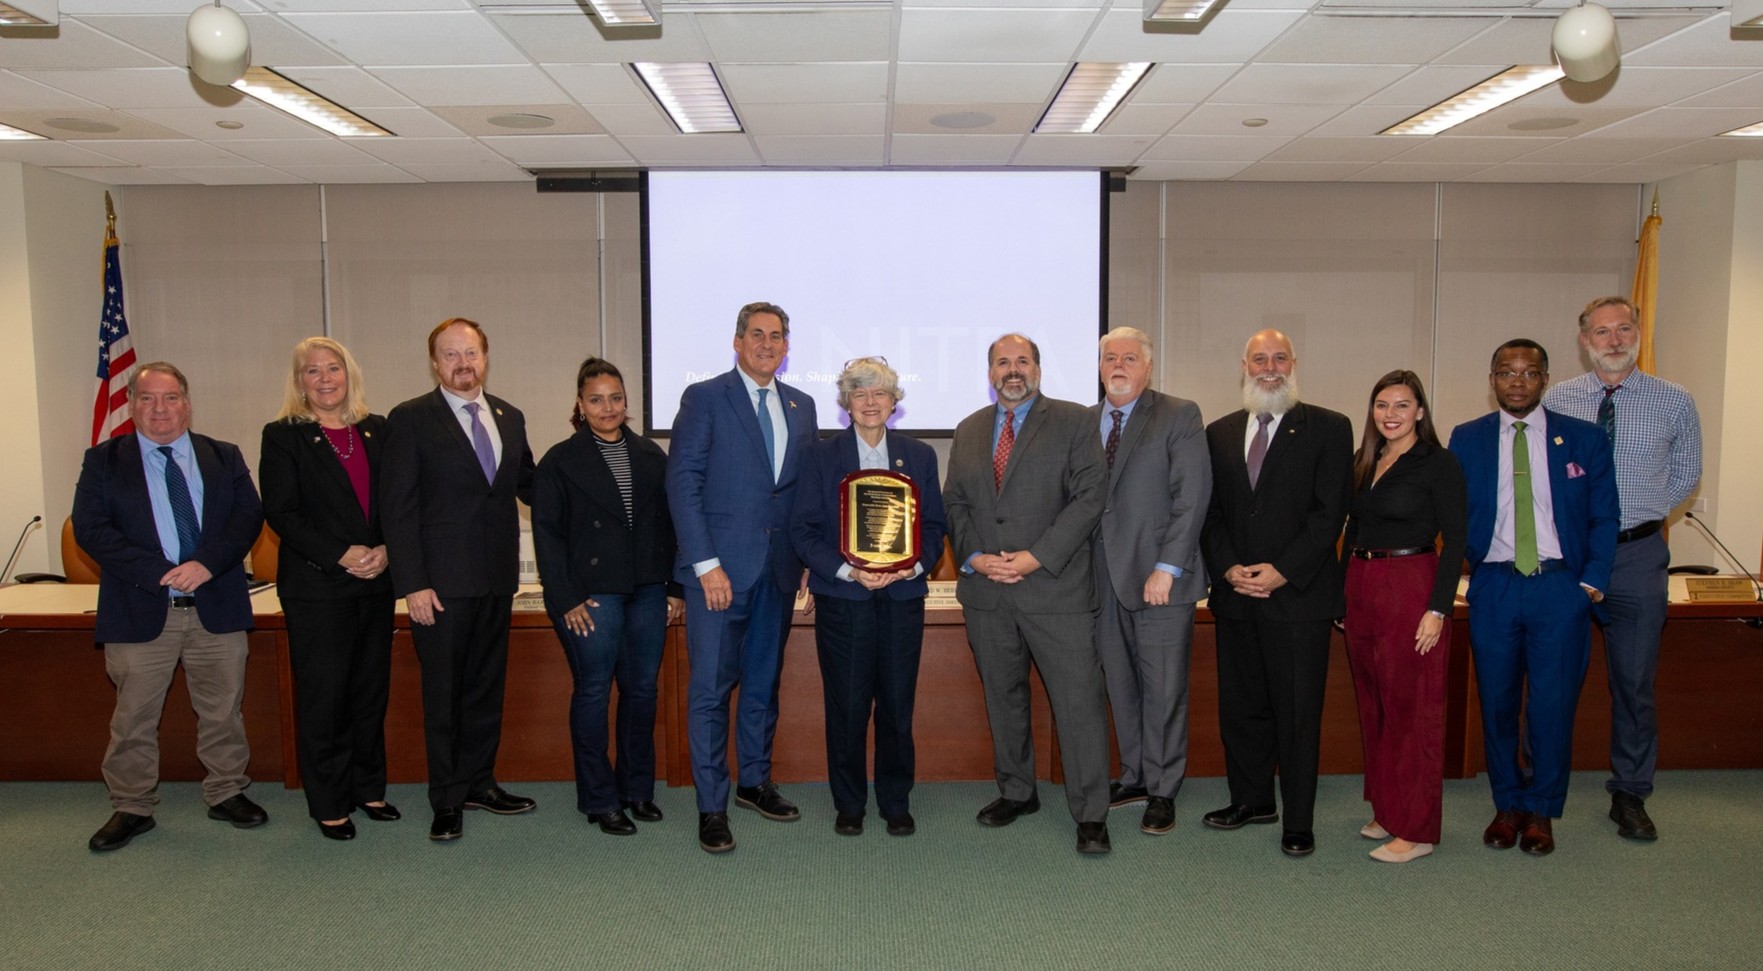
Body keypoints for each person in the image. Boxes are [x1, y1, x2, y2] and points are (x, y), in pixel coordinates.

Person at [73, 361, 268, 851]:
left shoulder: (223, 456)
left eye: (170, 397)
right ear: (133, 405)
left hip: (215, 604)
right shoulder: (103, 460)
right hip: (141, 608)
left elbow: (248, 516)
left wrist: (205, 564)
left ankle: (227, 792)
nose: (160, 409)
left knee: (223, 710)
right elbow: (91, 528)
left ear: (187, 402)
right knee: (133, 716)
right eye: (147, 399)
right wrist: (157, 572)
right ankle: (132, 806)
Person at [944, 333, 1112, 854]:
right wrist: (973, 557)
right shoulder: (970, 428)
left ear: (1038, 368)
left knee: (1078, 703)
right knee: (1004, 698)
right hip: (988, 592)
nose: (1012, 370)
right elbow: (957, 504)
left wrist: (1037, 556)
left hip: (1054, 589)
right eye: (1002, 362)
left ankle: (1091, 815)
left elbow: (1090, 497)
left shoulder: (1075, 420)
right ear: (989, 371)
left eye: (1022, 361)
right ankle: (1018, 792)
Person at [1449, 339, 1617, 857]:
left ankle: (1542, 808)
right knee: (1497, 703)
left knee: (1551, 704)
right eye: (1506, 372)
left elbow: (1604, 516)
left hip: (1559, 588)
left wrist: (1589, 583)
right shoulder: (1467, 438)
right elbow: (1452, 514)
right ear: (1492, 379)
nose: (1516, 381)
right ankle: (1507, 804)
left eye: (1528, 372)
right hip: (1495, 585)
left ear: (1545, 378)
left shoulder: (1584, 438)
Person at [1542, 296, 1701, 842]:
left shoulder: (1674, 400)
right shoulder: (1557, 399)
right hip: (1567, 555)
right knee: (1551, 675)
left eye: (1624, 329)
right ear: (1584, 341)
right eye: (1602, 331)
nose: (1614, 339)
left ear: (1638, 334)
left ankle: (1631, 793)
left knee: (1634, 683)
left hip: (1635, 556)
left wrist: (1639, 516)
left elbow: (1685, 476)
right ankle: (1540, 789)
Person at [667, 301, 818, 854]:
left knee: (761, 684)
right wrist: (706, 565)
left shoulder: (802, 406)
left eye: (776, 336)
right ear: (737, 341)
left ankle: (754, 781)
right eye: (756, 335)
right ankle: (712, 806)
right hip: (718, 575)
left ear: (786, 345)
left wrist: (803, 560)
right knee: (710, 690)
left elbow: (801, 493)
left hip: (777, 573)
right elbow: (683, 483)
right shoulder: (705, 398)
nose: (766, 344)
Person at [382, 317, 536, 843]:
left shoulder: (508, 417)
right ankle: (446, 799)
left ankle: (479, 782)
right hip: (439, 587)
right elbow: (397, 509)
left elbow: (531, 485)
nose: (462, 364)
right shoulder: (410, 420)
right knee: (444, 694)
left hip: (496, 579)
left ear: (485, 357)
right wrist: (413, 583)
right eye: (450, 355)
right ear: (434, 363)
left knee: (485, 689)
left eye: (470, 353)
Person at [1199, 329, 1353, 858]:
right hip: (1237, 594)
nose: (1270, 367)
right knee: (1241, 709)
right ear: (1243, 366)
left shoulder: (1330, 428)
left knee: (1297, 713)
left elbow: (1329, 513)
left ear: (1294, 363)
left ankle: (1299, 820)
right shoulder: (1218, 433)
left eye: (1279, 358)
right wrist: (1229, 569)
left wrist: (1282, 571)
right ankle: (1251, 800)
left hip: (1298, 597)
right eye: (1259, 359)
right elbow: (1211, 514)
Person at [790, 357, 948, 838]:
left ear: (894, 401)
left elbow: (936, 529)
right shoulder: (820, 457)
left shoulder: (919, 456)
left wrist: (907, 568)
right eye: (860, 394)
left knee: (898, 705)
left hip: (902, 599)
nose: (871, 402)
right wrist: (847, 571)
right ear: (846, 403)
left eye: (880, 393)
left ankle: (895, 801)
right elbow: (803, 530)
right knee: (848, 706)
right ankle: (850, 803)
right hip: (844, 598)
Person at [532, 357, 684, 837]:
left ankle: (636, 790)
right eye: (596, 400)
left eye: (615, 398)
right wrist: (566, 596)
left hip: (646, 590)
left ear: (626, 402)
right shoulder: (559, 460)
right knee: (595, 691)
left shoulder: (651, 456)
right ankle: (599, 799)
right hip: (591, 596)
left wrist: (675, 588)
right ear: (580, 405)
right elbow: (547, 535)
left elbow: (672, 525)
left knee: (642, 692)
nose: (608, 407)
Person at [259, 337, 397, 842]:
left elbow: (398, 499)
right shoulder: (283, 437)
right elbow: (282, 511)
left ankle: (368, 787)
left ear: (349, 374)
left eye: (333, 368)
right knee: (325, 696)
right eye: (311, 371)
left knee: (368, 691)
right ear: (299, 383)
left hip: (376, 583)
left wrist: (386, 548)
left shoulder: (377, 430)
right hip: (318, 588)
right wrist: (342, 553)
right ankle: (329, 801)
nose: (324, 379)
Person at [1340, 370, 1467, 864]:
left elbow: (1455, 540)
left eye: (1401, 405)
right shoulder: (1365, 460)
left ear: (1419, 411)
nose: (1390, 414)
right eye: (1381, 405)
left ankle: (1417, 829)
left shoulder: (1438, 463)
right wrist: (1339, 596)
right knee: (1375, 705)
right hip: (1362, 585)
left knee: (1413, 711)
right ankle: (1387, 810)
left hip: (1412, 585)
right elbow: (1352, 530)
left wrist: (1437, 609)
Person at [1088, 327, 1211, 836]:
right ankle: (1136, 774)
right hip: (1100, 578)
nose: (1119, 365)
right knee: (1121, 685)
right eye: (1110, 357)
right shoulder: (1084, 421)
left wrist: (1169, 566)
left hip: (1159, 577)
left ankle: (1163, 789)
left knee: (1163, 689)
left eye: (1130, 358)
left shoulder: (1178, 415)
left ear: (1148, 366)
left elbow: (1192, 497)